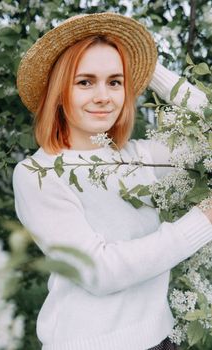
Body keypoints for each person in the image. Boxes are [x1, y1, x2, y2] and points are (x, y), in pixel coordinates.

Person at [13, 12, 212, 350]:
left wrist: (149, 72)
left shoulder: (140, 155)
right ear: (59, 91)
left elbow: (207, 125)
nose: (103, 96)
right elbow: (99, 272)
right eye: (85, 81)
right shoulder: (38, 174)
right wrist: (202, 221)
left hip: (161, 339)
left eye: (115, 81)